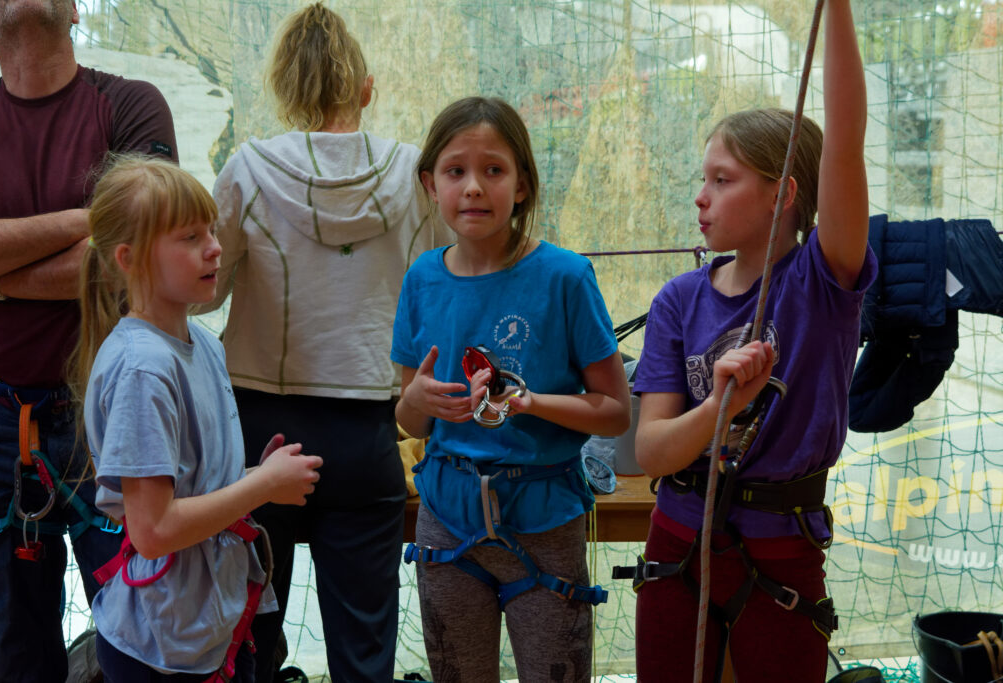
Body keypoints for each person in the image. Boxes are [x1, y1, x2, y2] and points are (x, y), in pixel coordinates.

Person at [194, 4, 450, 680]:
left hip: (261, 434)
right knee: (364, 651)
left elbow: (203, 293)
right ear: (365, 88)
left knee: (250, 639)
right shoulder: (415, 175)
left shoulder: (248, 170)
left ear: (283, 87)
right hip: (369, 433)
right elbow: (445, 286)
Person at [630, 1, 875, 681]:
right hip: (680, 538)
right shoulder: (680, 299)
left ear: (782, 194)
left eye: (723, 180)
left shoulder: (822, 282)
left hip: (781, 547)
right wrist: (721, 408)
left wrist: (837, 10)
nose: (701, 197)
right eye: (703, 178)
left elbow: (846, 140)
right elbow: (651, 450)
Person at [392, 96, 631, 682]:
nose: (473, 186)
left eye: (493, 170)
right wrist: (416, 402)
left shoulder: (565, 278)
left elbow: (614, 411)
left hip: (545, 519)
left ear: (521, 184)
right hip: (447, 519)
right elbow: (411, 419)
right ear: (430, 184)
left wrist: (532, 403)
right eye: (456, 171)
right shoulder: (421, 280)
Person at [0, 1, 178, 680]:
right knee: (11, 658)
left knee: (146, 647)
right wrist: (85, 219)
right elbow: (110, 243)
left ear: (73, 10)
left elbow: (140, 251)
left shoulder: (132, 106)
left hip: (117, 414)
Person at [72, 155, 323, 681]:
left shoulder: (204, 345)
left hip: (209, 625)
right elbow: (154, 529)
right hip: (163, 645)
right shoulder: (143, 369)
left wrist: (257, 477)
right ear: (129, 259)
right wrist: (260, 488)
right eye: (189, 237)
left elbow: (190, 490)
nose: (214, 247)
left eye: (211, 230)